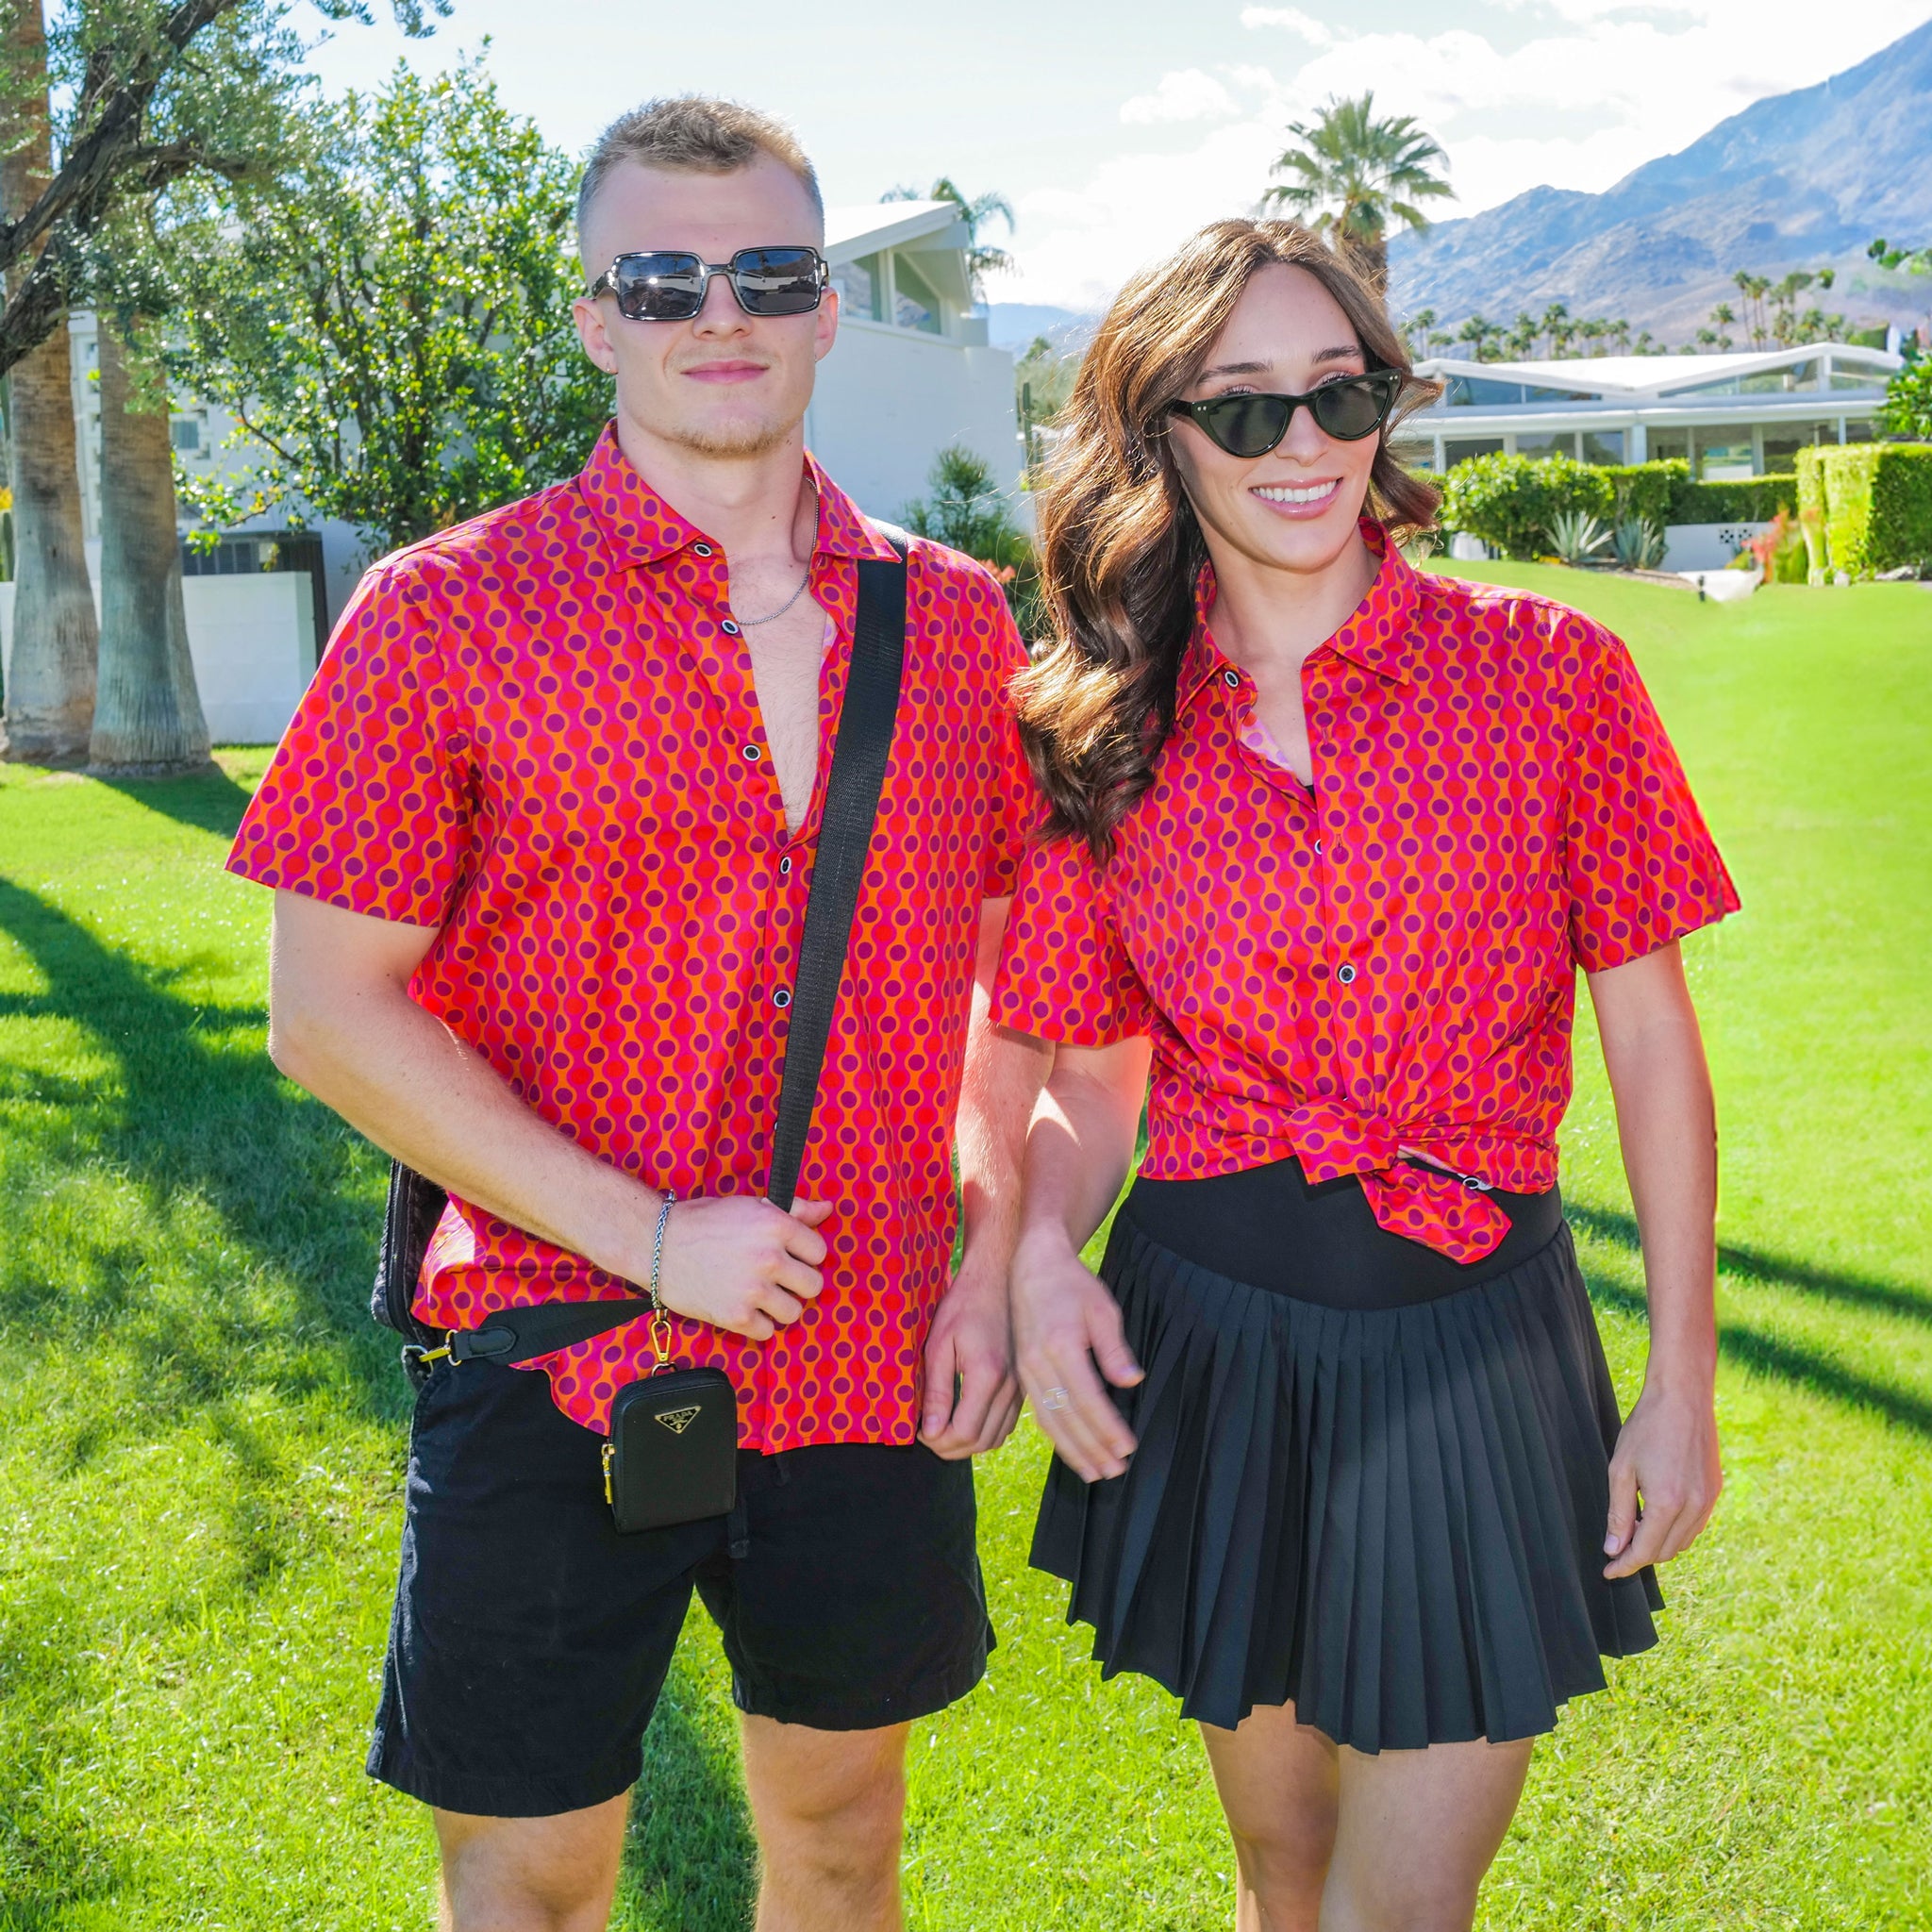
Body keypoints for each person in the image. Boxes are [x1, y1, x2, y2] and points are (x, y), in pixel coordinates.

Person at [226, 97, 1041, 1932]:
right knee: (531, 1874)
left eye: (764, 272)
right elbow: (327, 1015)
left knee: (840, 1832)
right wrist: (656, 1236)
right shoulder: (439, 615)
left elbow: (1013, 976)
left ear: (826, 306)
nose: (717, 314)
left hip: (861, 1349)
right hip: (553, 1337)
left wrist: (996, 1250)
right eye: (661, 277)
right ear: (594, 314)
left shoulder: (961, 623)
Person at [993, 218, 1738, 1932]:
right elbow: (1087, 1074)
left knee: (1401, 1911)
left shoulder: (1554, 679)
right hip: (1213, 1347)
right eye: (1242, 407)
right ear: (1162, 437)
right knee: (1281, 1878)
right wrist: (1036, 1253)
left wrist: (1682, 1373)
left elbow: (1650, 1044)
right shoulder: (1102, 733)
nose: (1306, 444)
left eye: (1345, 393)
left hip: (1479, 1343)